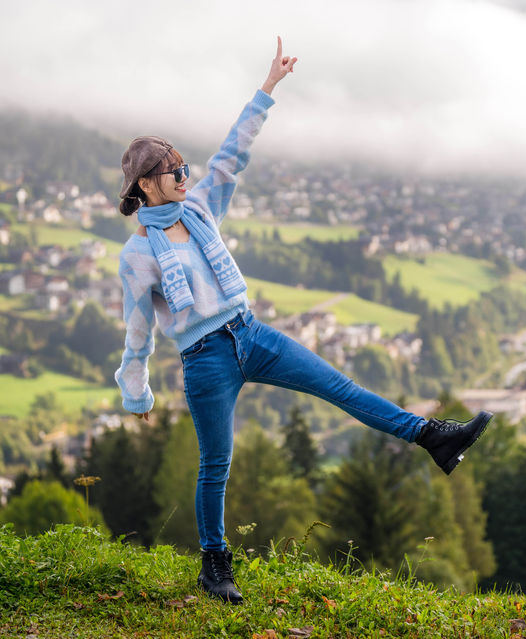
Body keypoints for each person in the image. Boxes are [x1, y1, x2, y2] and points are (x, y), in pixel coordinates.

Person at [114, 36, 492, 605]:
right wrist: (137, 395)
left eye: (182, 166)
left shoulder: (200, 206)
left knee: (338, 388)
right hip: (204, 360)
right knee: (216, 465)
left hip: (251, 333)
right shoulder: (137, 256)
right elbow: (137, 333)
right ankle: (215, 568)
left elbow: (231, 154)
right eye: (171, 172)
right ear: (145, 184)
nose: (184, 175)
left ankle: (432, 438)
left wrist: (267, 88)